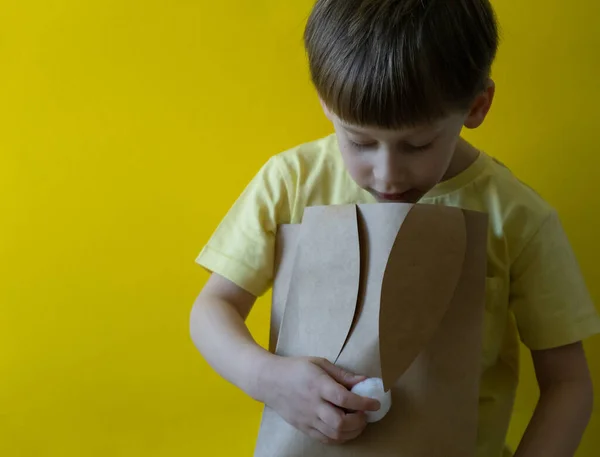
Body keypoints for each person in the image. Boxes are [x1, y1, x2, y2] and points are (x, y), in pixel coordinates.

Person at [190, 1, 600, 456]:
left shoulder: (517, 216)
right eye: (360, 142)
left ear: (476, 106)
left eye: (417, 144)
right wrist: (266, 378)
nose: (387, 175)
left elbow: (568, 383)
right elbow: (213, 309)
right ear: (327, 104)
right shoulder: (291, 182)